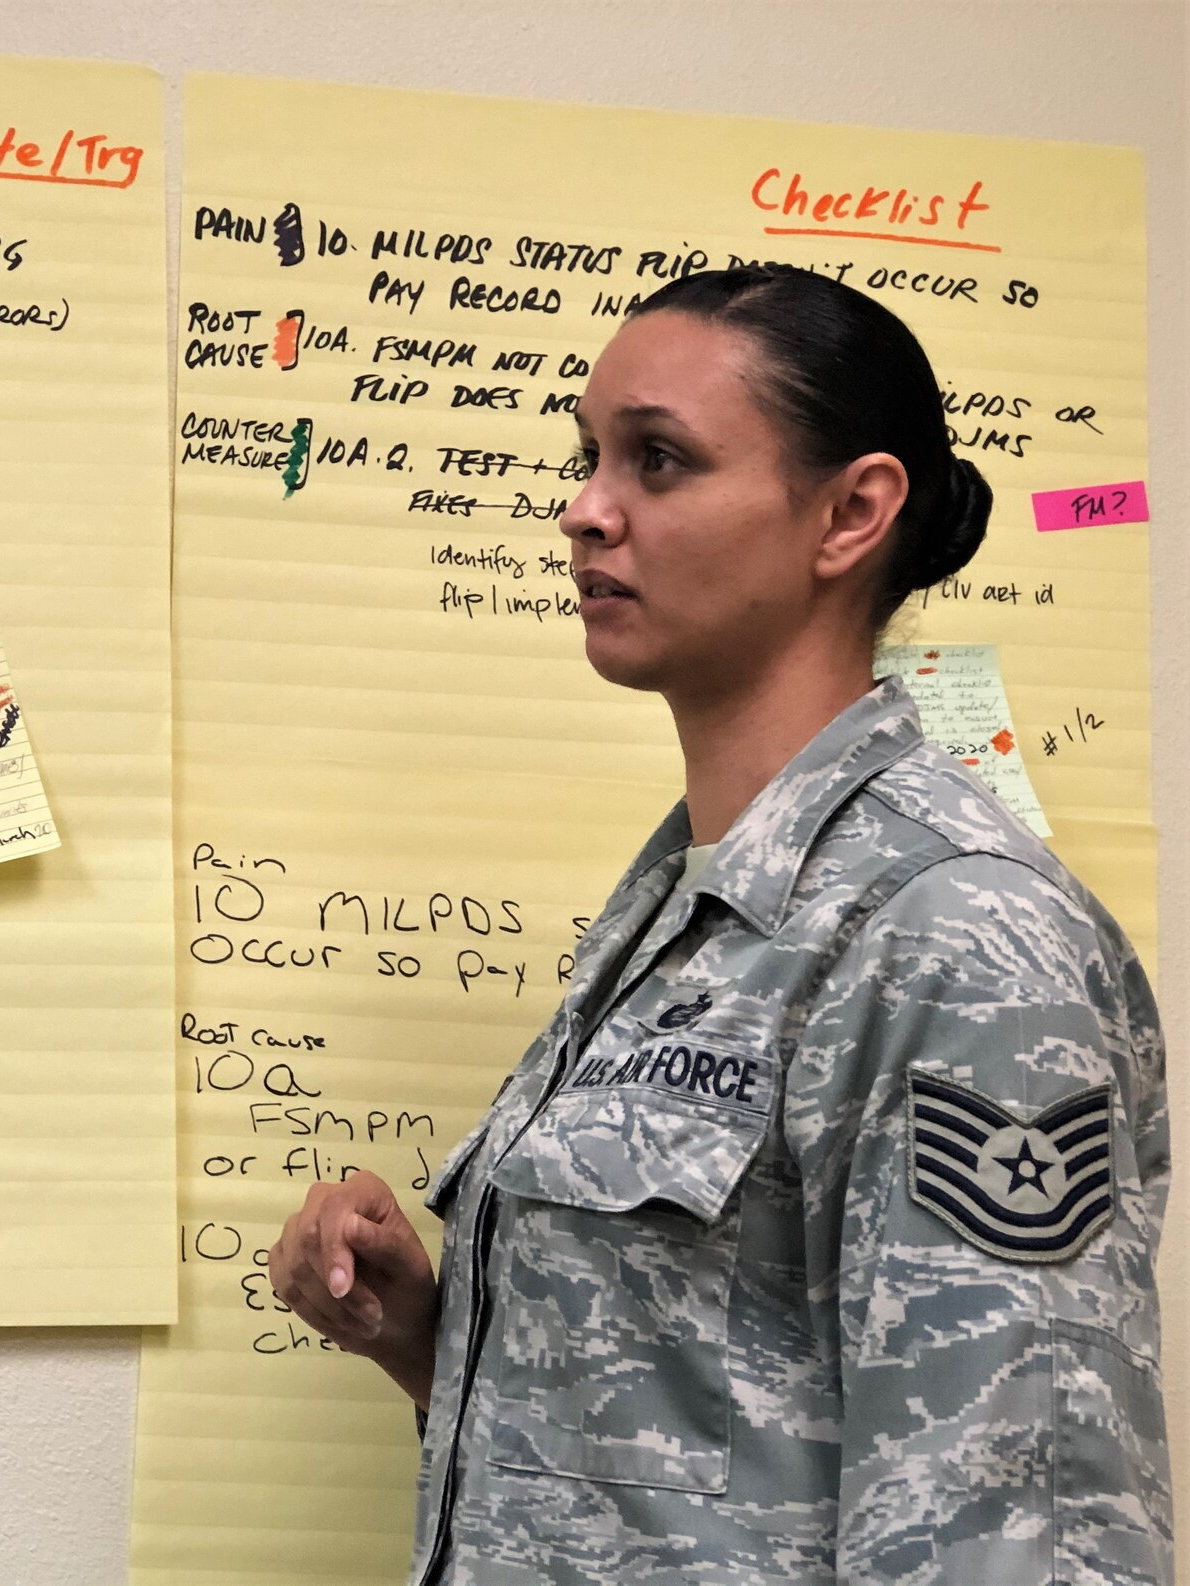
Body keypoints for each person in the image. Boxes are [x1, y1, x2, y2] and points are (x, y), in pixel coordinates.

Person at [266, 264, 1170, 1585]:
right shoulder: (680, 910)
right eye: (588, 457)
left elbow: (1013, 1537)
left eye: (660, 460)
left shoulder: (956, 932)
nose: (584, 509)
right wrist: (437, 1337)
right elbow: (710, 1441)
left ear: (851, 512)